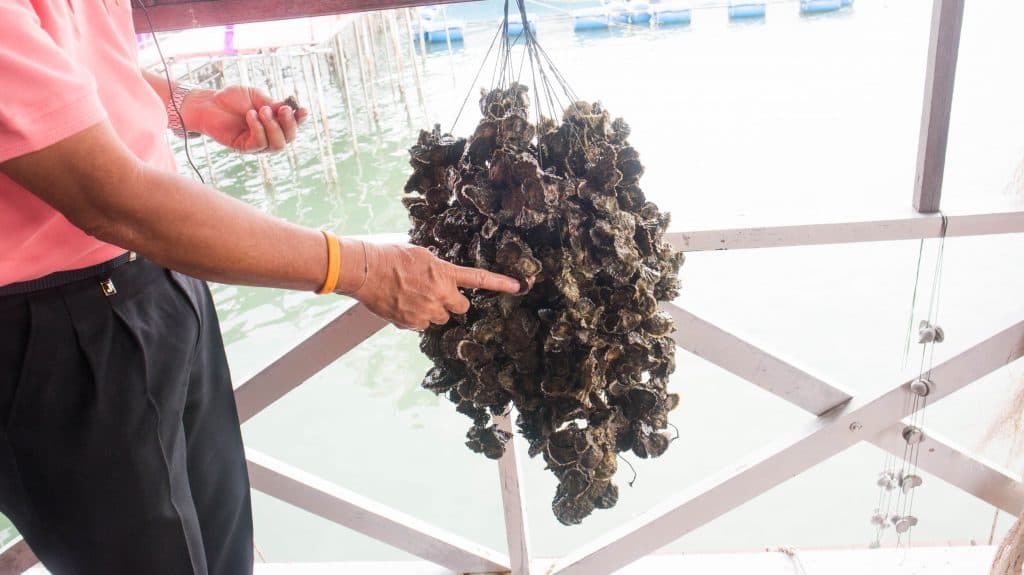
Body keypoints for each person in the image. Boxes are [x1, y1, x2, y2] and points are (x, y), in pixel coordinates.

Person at [0, 2, 521, 574]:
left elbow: (66, 65)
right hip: (50, 325)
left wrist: (188, 105)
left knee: (226, 554)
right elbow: (111, 200)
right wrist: (363, 269)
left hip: (162, 276)